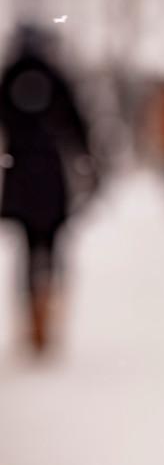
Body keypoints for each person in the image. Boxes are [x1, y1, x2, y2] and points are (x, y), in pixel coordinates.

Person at [0, 24, 94, 355]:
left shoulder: (9, 76)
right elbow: (78, 127)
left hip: (19, 174)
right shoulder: (55, 77)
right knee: (52, 248)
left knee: (27, 251)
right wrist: (88, 164)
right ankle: (48, 315)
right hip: (50, 178)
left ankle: (30, 320)